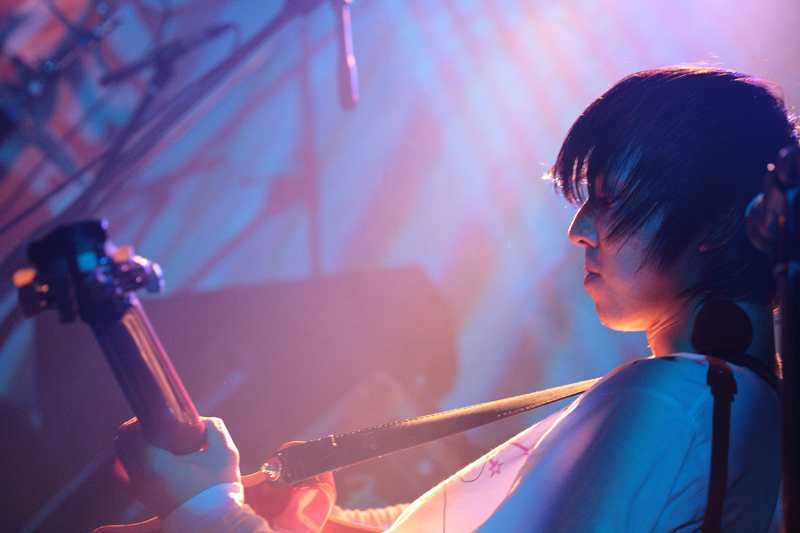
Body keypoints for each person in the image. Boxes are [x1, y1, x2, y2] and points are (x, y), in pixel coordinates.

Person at [114, 66, 798, 532]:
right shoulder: (721, 403)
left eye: (612, 200)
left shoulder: (672, 398)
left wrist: (205, 507)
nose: (580, 228)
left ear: (715, 224)